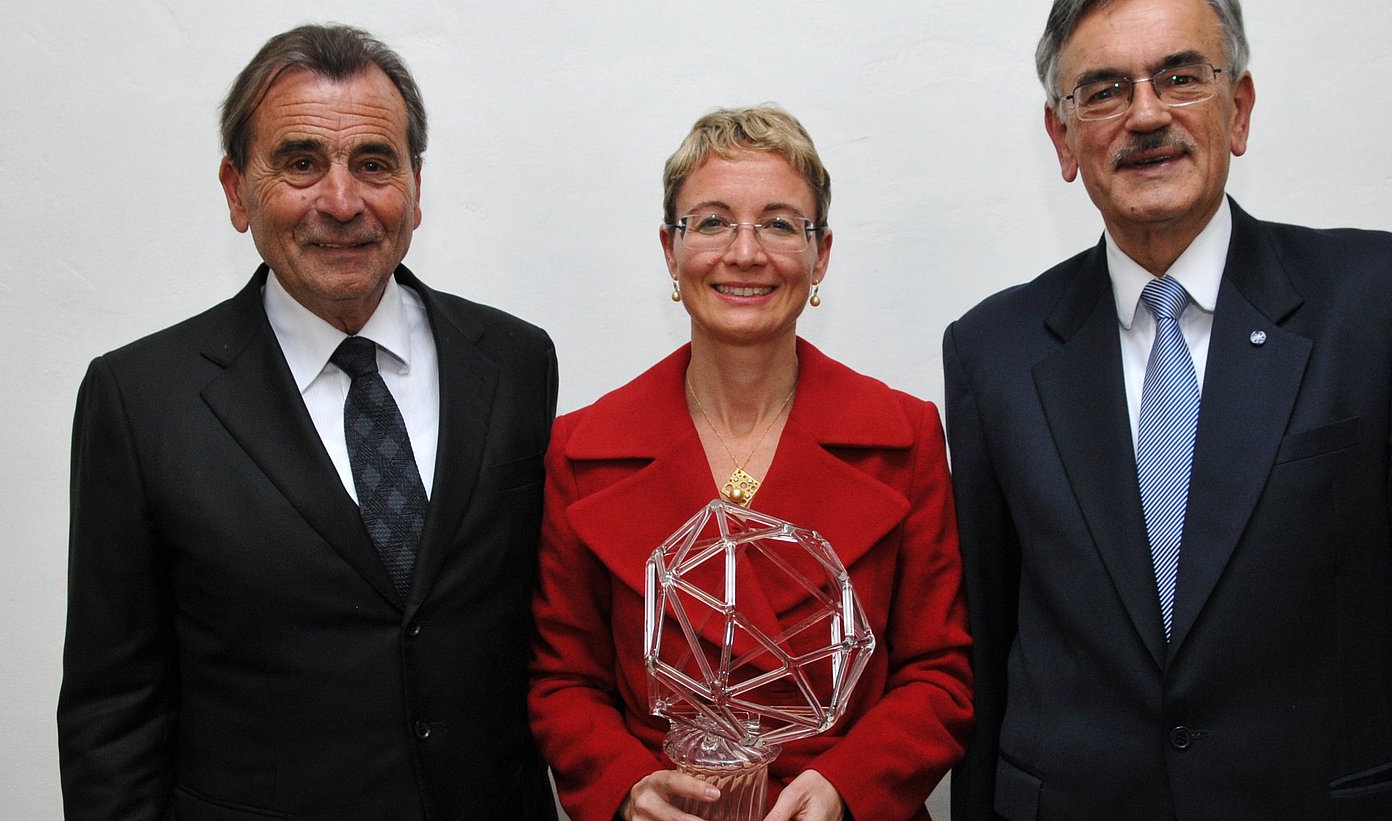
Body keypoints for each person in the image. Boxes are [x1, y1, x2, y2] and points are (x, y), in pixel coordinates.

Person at [943, 1, 1392, 818]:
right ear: (1063, 137)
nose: (1147, 114)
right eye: (1105, 90)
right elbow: (987, 664)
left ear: (1240, 108)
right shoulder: (991, 352)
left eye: (1181, 76)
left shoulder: (1384, 305)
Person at [57, 24, 558, 819]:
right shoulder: (142, 399)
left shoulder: (516, 362)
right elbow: (112, 711)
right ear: (235, 189)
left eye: (373, 163)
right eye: (300, 163)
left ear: (416, 189)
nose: (341, 200)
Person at [529, 105, 973, 821]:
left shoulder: (906, 436)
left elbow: (939, 674)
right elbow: (563, 680)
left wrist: (845, 785)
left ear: (821, 253)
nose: (745, 251)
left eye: (778, 223)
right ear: (669, 252)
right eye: (710, 222)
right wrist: (627, 785)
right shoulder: (582, 449)